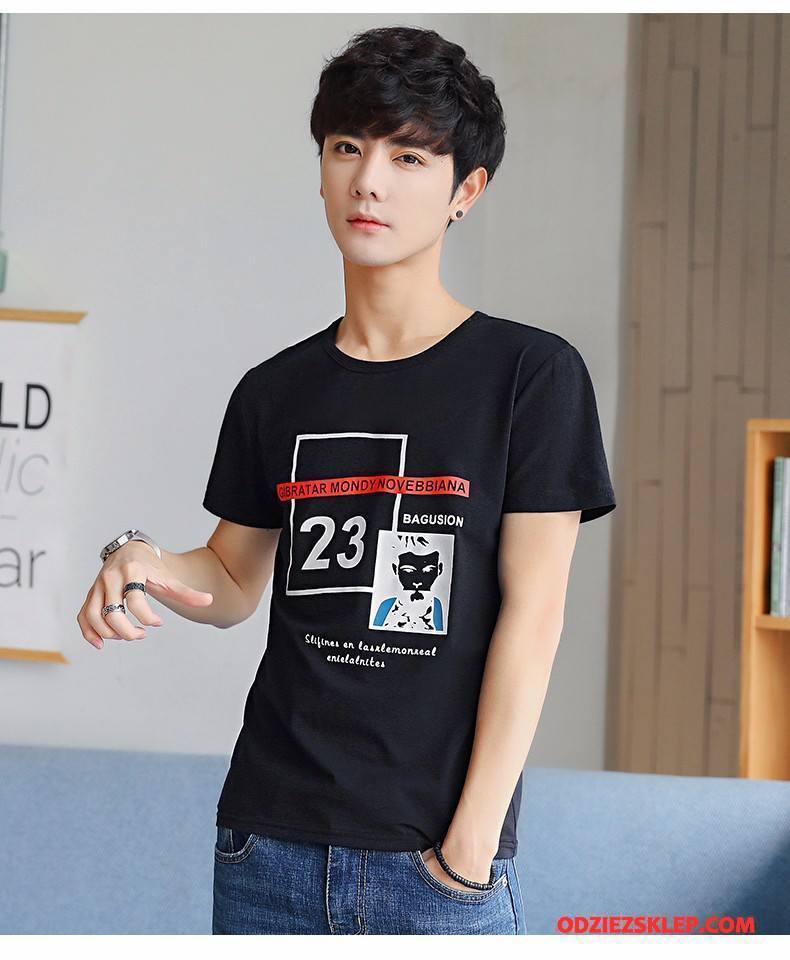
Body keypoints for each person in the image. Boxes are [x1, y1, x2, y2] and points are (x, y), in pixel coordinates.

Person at [78, 24, 616, 935]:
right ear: (323, 168)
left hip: (437, 863)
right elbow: (232, 580)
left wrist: (470, 847)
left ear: (465, 191)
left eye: (409, 157)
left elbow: (535, 618)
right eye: (346, 147)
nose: (369, 180)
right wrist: (143, 557)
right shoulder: (274, 390)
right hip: (265, 847)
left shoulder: (532, 375)